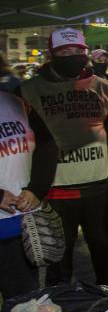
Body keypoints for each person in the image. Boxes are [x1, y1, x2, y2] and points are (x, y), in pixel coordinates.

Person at [19, 28, 108, 288]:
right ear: (52, 55)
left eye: (78, 51)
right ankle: (62, 308)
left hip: (97, 188)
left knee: (106, 253)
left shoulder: (103, 87)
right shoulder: (29, 90)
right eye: (65, 52)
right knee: (58, 259)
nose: (73, 56)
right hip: (54, 192)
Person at [0, 83, 58, 299]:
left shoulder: (15, 103)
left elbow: (47, 145)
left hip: (20, 227)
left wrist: (37, 189)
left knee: (25, 307)